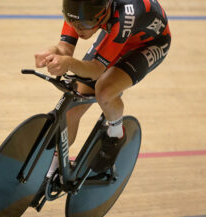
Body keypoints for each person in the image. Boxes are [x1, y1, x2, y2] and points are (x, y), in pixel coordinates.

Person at [35, 0, 171, 176]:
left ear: (104, 13)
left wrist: (68, 63)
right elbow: (65, 48)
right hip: (117, 34)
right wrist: (52, 52)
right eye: (72, 22)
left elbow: (96, 69)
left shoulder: (126, 14)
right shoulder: (78, 8)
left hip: (148, 44)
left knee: (105, 90)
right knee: (73, 105)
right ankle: (53, 165)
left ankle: (115, 135)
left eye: (85, 24)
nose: (78, 30)